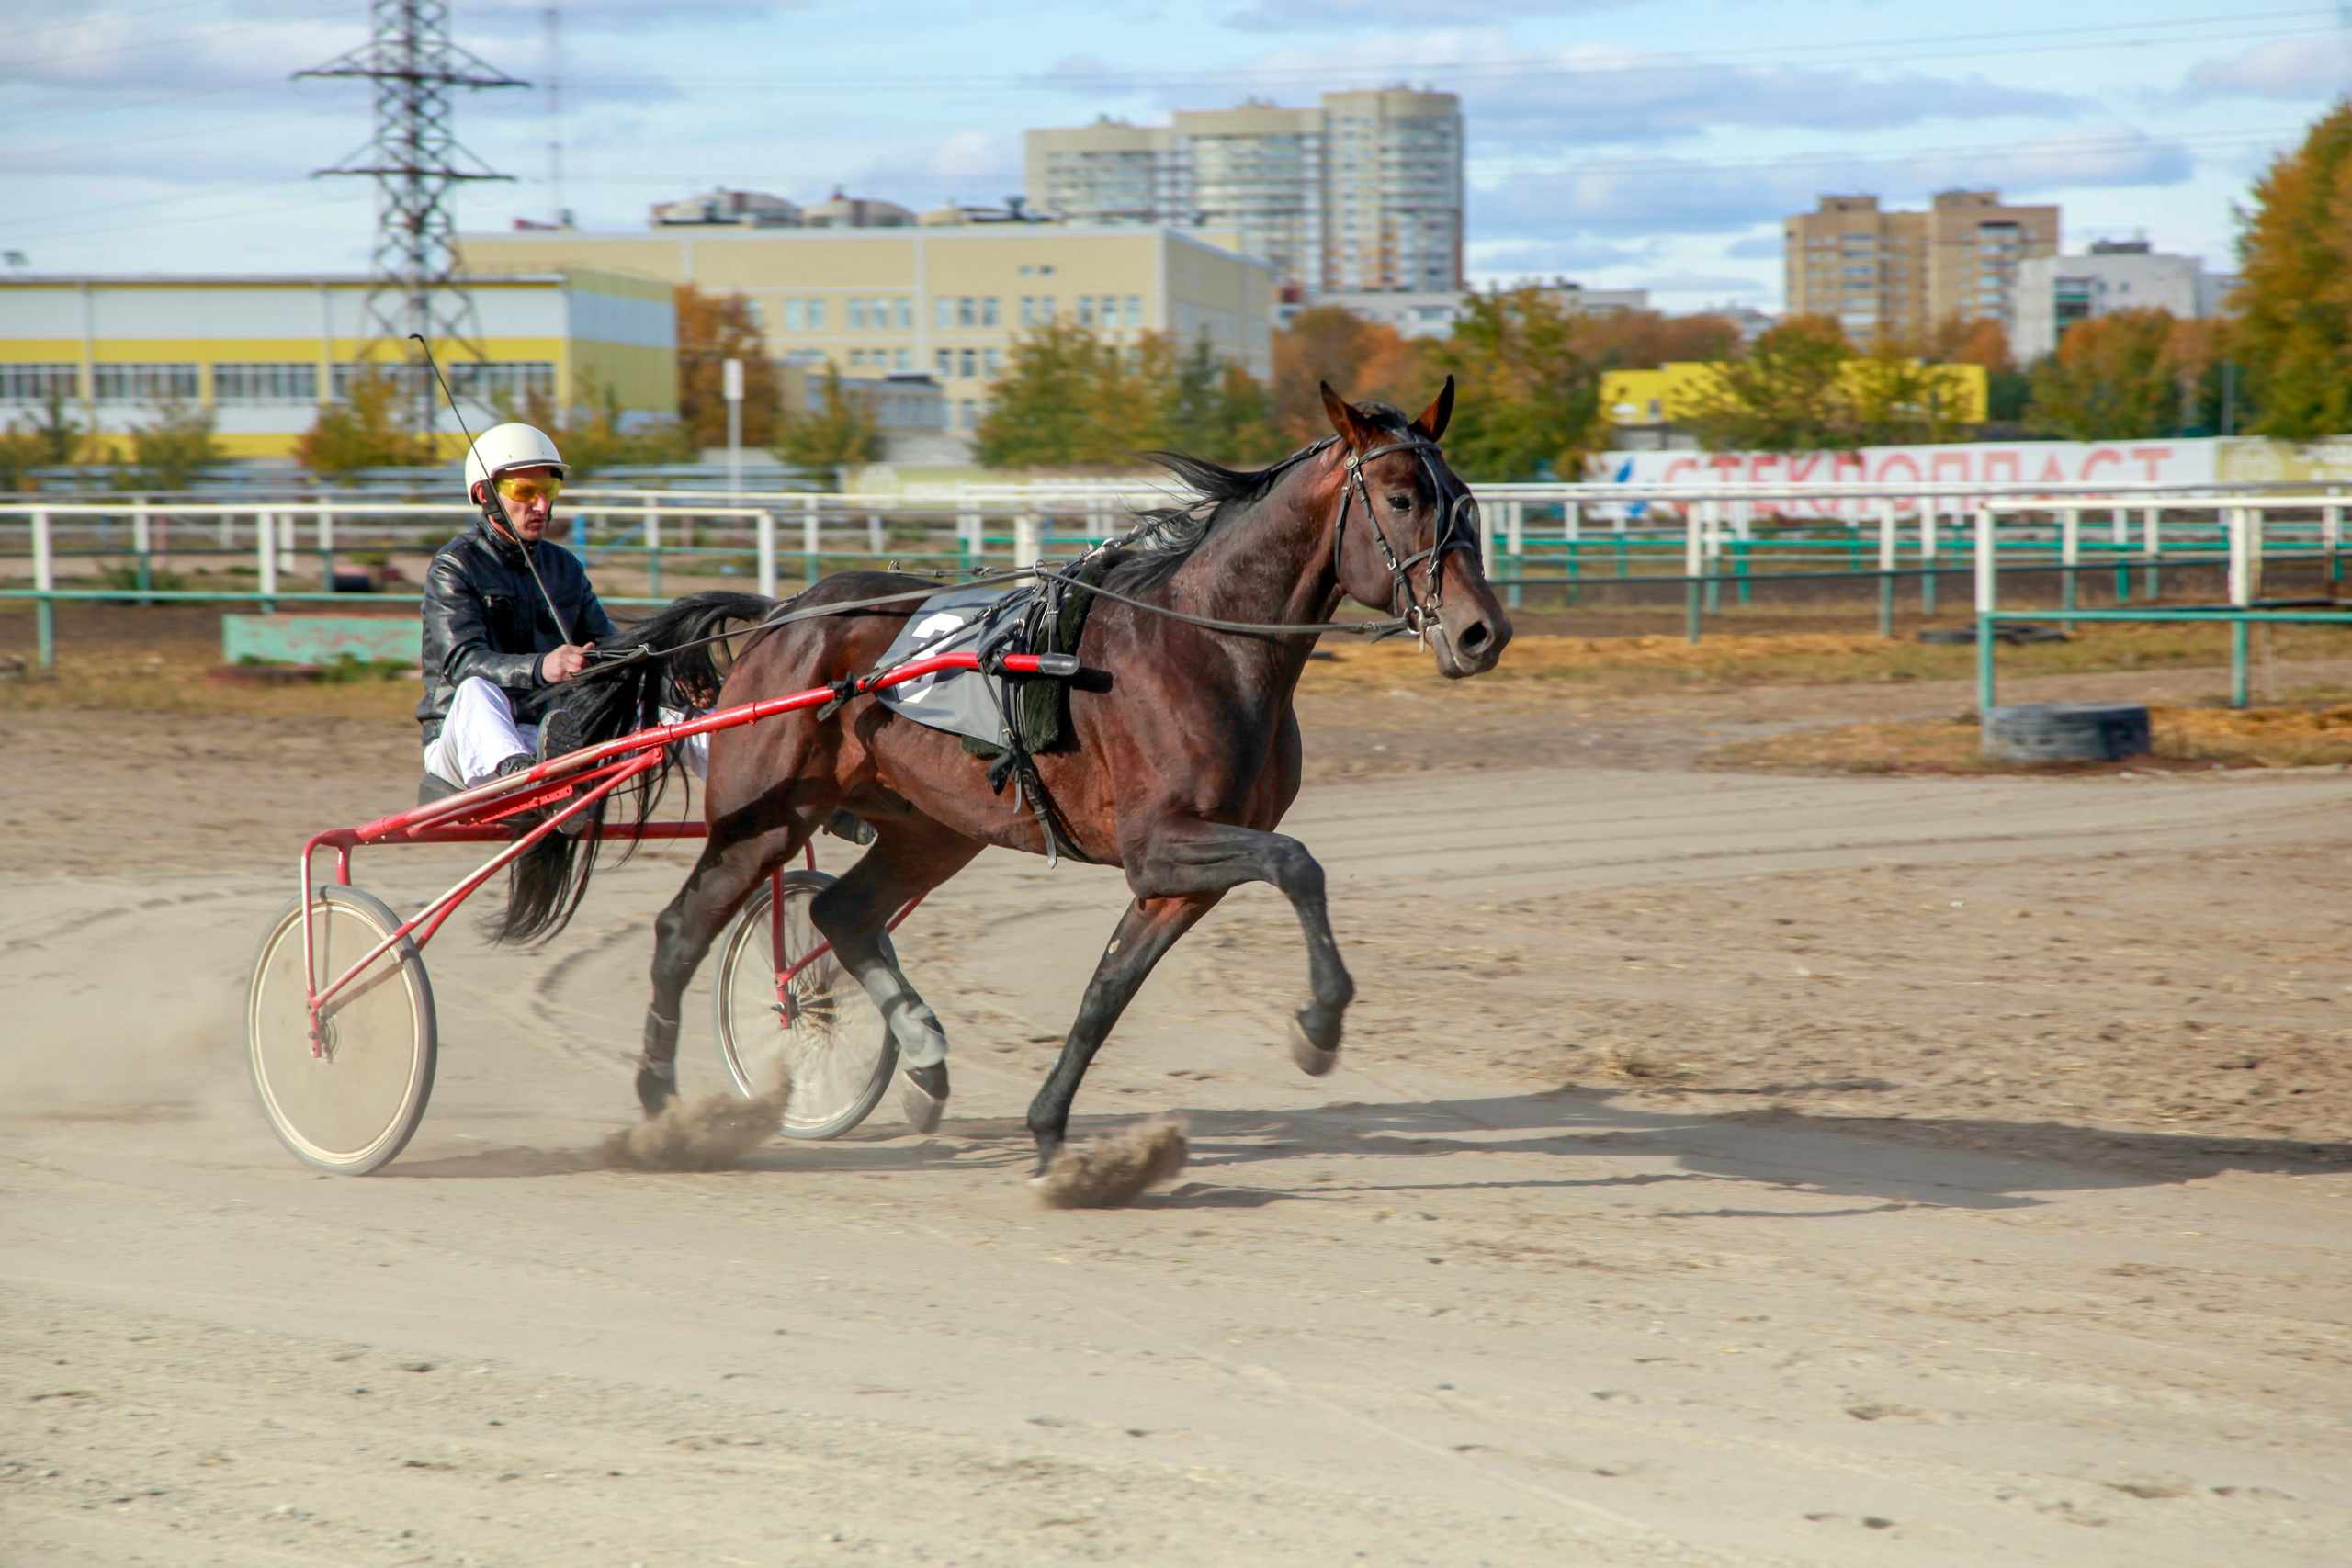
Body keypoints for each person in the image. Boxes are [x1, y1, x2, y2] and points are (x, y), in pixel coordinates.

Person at [417, 423, 616, 795]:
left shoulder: (565, 566)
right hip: (467, 740)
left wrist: (672, 683)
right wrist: (543, 667)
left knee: (672, 705)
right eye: (525, 491)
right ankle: (524, 783)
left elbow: (610, 646)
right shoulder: (455, 566)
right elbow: (461, 662)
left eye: (549, 490)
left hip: (547, 734)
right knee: (476, 689)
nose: (541, 505)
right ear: (485, 494)